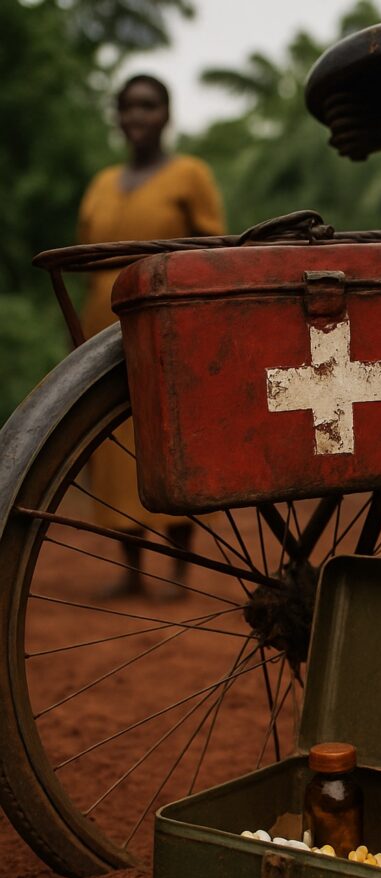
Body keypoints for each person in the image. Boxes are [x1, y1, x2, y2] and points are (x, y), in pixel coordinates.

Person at [77, 74, 226, 597]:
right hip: (102, 335)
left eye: (148, 105)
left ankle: (181, 575)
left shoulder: (190, 174)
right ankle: (133, 572)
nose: (137, 116)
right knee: (116, 450)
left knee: (172, 443)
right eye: (127, 106)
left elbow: (214, 251)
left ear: (167, 114)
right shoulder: (100, 184)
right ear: (117, 116)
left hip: (168, 333)